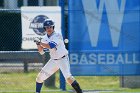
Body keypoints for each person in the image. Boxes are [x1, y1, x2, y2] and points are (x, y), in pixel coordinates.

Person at [34, 19, 83, 93]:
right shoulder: (44, 38)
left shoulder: (57, 35)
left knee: (68, 78)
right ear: (45, 28)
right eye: (47, 27)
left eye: (50, 27)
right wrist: (38, 44)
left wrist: (40, 42)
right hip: (53, 60)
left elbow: (51, 46)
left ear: (53, 27)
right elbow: (41, 52)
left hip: (63, 59)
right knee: (39, 78)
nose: (49, 29)